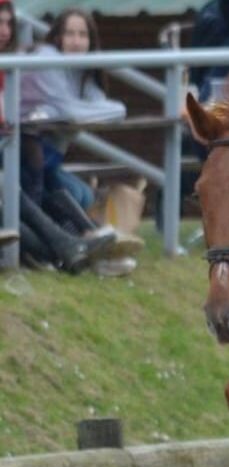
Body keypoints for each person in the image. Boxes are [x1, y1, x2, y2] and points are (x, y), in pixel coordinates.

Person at [19, 8, 143, 274]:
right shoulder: (46, 58)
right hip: (21, 153)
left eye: (82, 35)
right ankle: (82, 246)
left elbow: (114, 109)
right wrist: (69, 110)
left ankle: (94, 245)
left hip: (47, 158)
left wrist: (70, 109)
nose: (76, 41)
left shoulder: (81, 70)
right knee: (75, 194)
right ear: (57, 37)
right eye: (70, 34)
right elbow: (70, 112)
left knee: (78, 193)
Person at [0, 1, 117, 273]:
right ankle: (71, 247)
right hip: (16, 157)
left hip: (22, 154)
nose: (4, 30)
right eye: (70, 34)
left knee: (70, 191)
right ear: (57, 37)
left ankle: (82, 244)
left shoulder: (15, 64)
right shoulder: (37, 62)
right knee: (17, 186)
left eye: (7, 23)